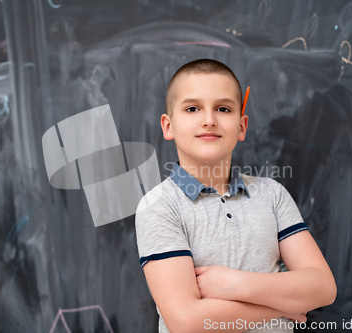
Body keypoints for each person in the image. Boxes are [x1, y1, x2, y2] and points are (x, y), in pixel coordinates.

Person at [134, 58, 336, 333]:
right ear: (168, 126)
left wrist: (234, 284)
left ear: (241, 126)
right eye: (192, 108)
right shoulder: (159, 206)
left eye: (223, 108)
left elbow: (323, 288)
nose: (209, 120)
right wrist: (283, 305)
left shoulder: (272, 195)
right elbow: (187, 322)